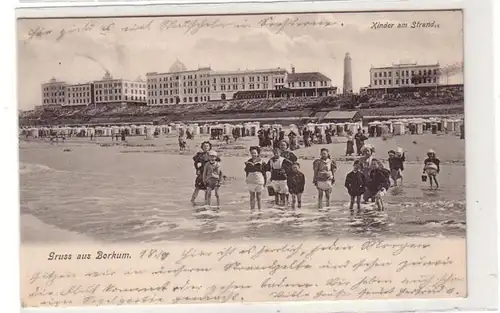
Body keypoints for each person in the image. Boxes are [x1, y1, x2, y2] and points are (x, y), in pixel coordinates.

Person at [244, 146, 267, 211]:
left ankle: (260, 210)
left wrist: (264, 183)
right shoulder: (248, 162)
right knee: (252, 196)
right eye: (252, 153)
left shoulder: (262, 162)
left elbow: (264, 173)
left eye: (255, 153)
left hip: (259, 181)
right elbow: (247, 172)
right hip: (251, 181)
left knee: (259, 197)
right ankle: (252, 210)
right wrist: (247, 180)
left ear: (258, 154)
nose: (253, 154)